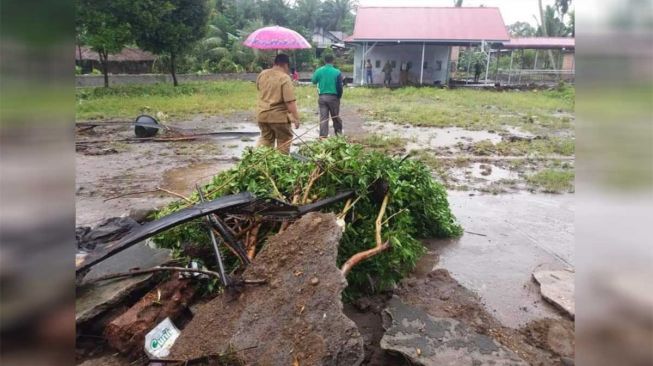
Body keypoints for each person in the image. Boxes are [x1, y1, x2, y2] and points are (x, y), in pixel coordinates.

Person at [255, 54, 300, 154]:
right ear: (285, 65)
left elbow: (259, 88)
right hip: (278, 118)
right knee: (284, 140)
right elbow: (290, 101)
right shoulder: (284, 78)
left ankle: (257, 161)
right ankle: (280, 164)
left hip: (262, 115)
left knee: (266, 139)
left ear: (275, 63)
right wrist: (296, 118)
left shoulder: (262, 74)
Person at [311, 54, 344, 138]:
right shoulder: (337, 72)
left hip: (322, 97)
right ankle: (338, 135)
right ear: (333, 60)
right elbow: (340, 87)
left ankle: (323, 137)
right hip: (333, 97)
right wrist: (339, 96)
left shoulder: (319, 71)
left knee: (323, 118)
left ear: (324, 60)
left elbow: (314, 81)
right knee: (335, 117)